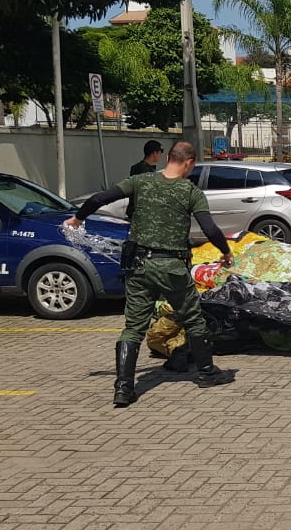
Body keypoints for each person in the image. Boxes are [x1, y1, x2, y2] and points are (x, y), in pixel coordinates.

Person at [65, 141, 237, 408]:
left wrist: (77, 219)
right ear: (189, 163)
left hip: (139, 266)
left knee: (134, 327)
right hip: (172, 267)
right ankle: (207, 372)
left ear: (168, 158)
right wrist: (225, 252)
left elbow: (100, 199)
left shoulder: (139, 181)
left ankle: (123, 388)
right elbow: (210, 228)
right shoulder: (190, 191)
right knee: (193, 318)